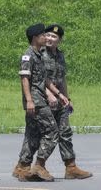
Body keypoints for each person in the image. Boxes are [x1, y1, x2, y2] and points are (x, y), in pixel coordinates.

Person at [12, 23, 69, 182]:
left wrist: (60, 94)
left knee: (33, 134)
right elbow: (25, 79)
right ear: (36, 38)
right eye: (43, 35)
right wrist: (29, 100)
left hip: (40, 99)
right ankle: (39, 165)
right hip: (36, 101)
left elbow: (45, 80)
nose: (46, 37)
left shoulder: (38, 55)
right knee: (52, 131)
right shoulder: (28, 56)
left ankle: (23, 168)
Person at [42, 24, 92, 179]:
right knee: (45, 135)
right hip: (44, 99)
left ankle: (71, 167)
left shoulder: (60, 55)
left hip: (60, 99)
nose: (50, 39)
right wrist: (50, 95)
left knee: (65, 133)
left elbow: (62, 78)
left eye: (54, 37)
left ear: (60, 40)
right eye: (48, 35)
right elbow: (39, 79)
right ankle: (34, 166)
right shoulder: (40, 54)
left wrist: (67, 98)